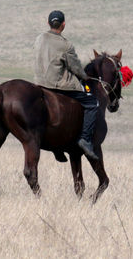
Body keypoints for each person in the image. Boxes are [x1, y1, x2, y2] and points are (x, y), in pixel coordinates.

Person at [34, 10, 99, 160]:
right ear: (63, 24)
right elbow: (75, 67)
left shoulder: (39, 39)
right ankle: (85, 139)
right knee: (92, 103)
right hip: (58, 85)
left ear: (48, 23)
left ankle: (57, 147)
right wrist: (85, 76)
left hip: (39, 84)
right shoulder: (66, 45)